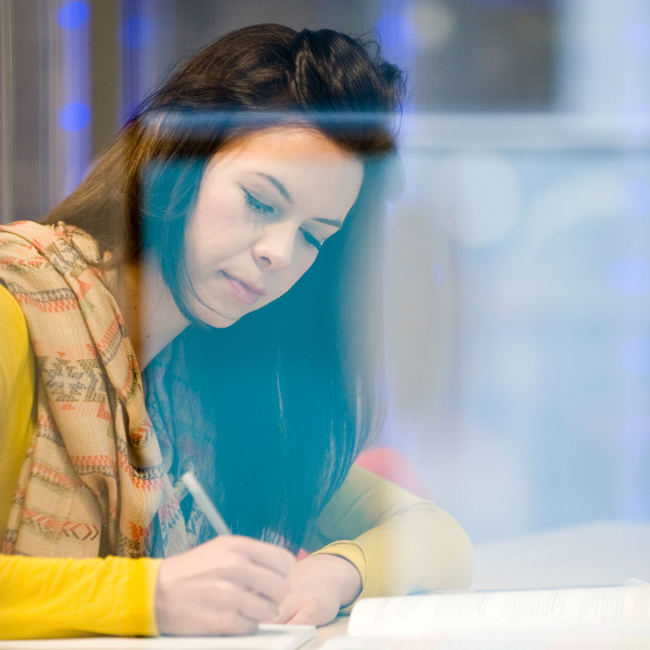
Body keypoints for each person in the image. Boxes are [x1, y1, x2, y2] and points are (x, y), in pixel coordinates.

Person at [0, 24, 473, 638]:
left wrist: (335, 572)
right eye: (260, 201)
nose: (279, 253)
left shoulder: (209, 386)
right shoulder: (21, 308)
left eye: (313, 236)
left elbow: (438, 539)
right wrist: (150, 597)